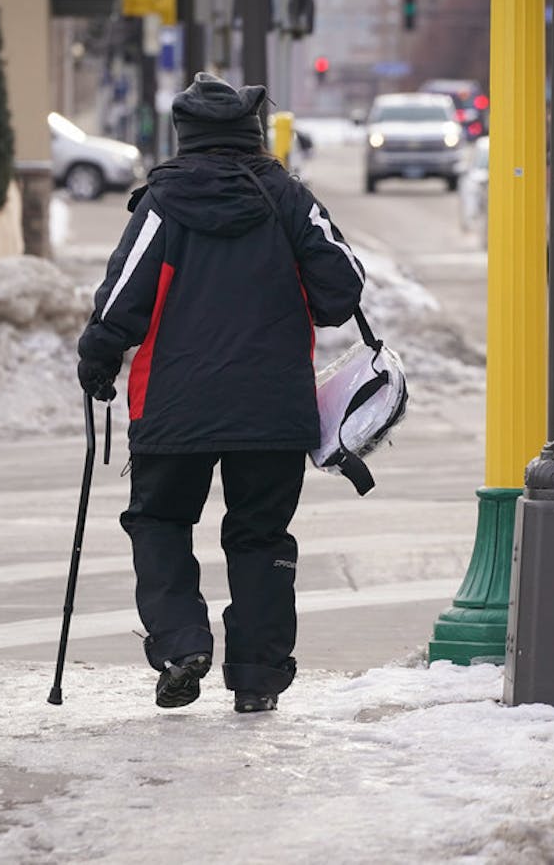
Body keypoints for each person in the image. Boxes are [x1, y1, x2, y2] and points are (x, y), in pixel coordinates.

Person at [76, 72, 365, 713]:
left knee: (159, 521)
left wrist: (97, 357)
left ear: (186, 139)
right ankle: (258, 678)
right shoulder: (288, 198)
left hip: (174, 405)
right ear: (251, 134)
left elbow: (123, 295)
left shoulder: (162, 203)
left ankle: (182, 645)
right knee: (260, 536)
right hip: (272, 407)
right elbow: (342, 289)